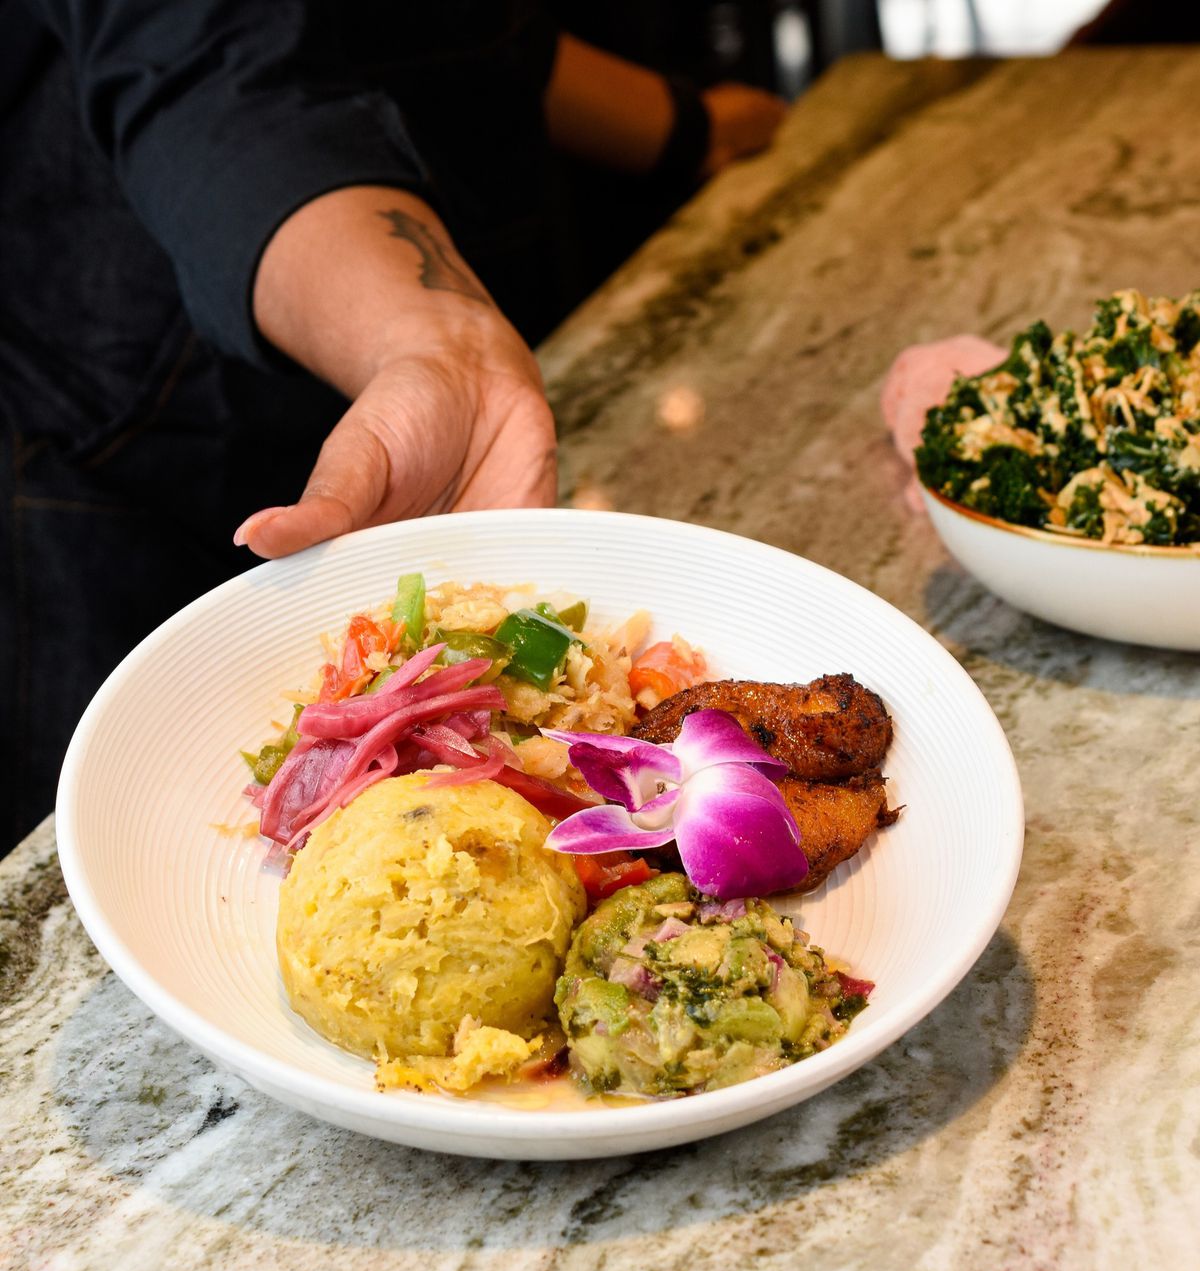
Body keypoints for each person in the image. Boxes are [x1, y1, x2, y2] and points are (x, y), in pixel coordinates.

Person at [0, 0, 785, 853]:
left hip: (464, 290)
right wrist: (429, 335)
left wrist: (675, 126)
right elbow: (203, 57)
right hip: (135, 405)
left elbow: (474, 25)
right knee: (113, 836)